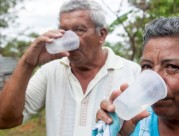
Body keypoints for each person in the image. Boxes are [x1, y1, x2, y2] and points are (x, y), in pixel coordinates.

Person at [0, 0, 141, 135]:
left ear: (101, 35)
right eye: (64, 31)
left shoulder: (132, 72)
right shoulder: (50, 71)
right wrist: (28, 63)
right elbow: (5, 120)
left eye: (79, 30)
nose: (69, 38)